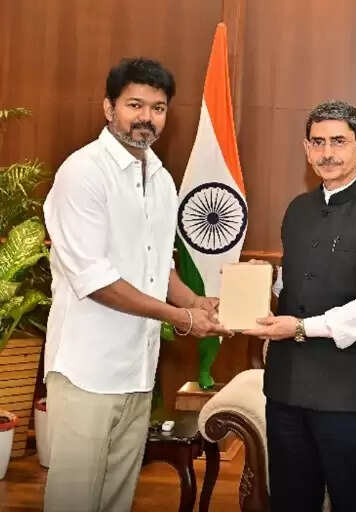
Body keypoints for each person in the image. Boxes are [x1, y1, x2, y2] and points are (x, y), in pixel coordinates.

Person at [42, 57, 229, 512]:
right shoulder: (82, 173)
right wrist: (180, 317)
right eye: (135, 105)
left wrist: (197, 302)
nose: (147, 117)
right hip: (87, 371)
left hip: (139, 370)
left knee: (117, 500)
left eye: (158, 108)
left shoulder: (161, 180)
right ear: (109, 108)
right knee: (73, 501)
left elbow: (158, 267)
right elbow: (96, 281)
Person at [245, 100, 356, 512]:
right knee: (290, 501)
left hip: (347, 394)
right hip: (286, 388)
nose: (327, 153)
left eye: (339, 141)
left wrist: (303, 328)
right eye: (317, 142)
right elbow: (293, 284)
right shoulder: (297, 209)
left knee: (354, 501)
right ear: (306, 149)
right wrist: (258, 284)